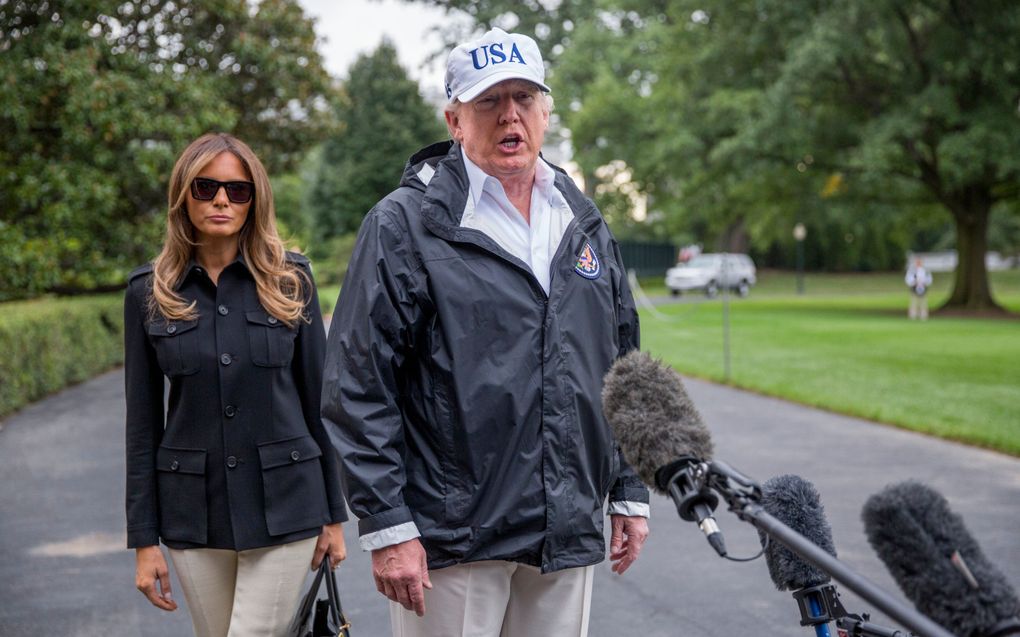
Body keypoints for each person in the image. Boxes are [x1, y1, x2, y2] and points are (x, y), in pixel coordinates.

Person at [321, 27, 649, 636]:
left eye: (524, 98)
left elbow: (622, 357)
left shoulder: (580, 219)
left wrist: (628, 488)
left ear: (546, 112)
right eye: (488, 102)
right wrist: (388, 525)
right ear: (454, 120)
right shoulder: (403, 225)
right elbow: (358, 386)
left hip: (564, 526)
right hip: (451, 538)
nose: (510, 117)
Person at [124, 133, 347, 637]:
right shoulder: (148, 292)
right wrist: (144, 541)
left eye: (237, 190)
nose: (222, 200)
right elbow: (141, 424)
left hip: (288, 504)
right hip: (191, 516)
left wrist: (334, 515)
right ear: (184, 195)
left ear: (254, 200)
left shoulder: (293, 280)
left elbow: (321, 403)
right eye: (206, 188)